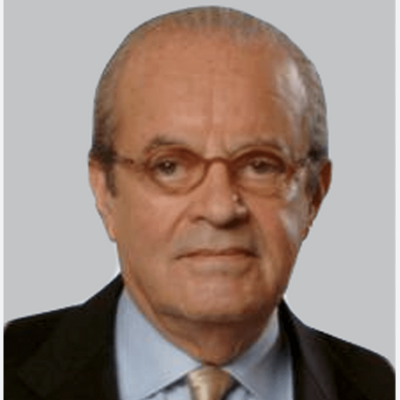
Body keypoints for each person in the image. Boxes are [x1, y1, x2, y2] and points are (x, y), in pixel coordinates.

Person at [4, 6, 394, 400]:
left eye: (260, 165)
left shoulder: (380, 386)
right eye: (169, 166)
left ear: (313, 196)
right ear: (104, 191)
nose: (220, 209)